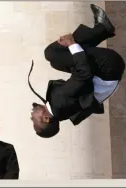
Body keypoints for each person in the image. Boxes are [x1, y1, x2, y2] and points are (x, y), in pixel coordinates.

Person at [29, 4, 125, 138]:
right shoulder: (59, 101)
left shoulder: (61, 110)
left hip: (110, 73)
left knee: (56, 59)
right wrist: (72, 44)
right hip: (108, 65)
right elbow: (84, 74)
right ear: (46, 118)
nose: (31, 117)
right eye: (35, 121)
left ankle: (102, 29)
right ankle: (102, 28)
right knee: (53, 54)